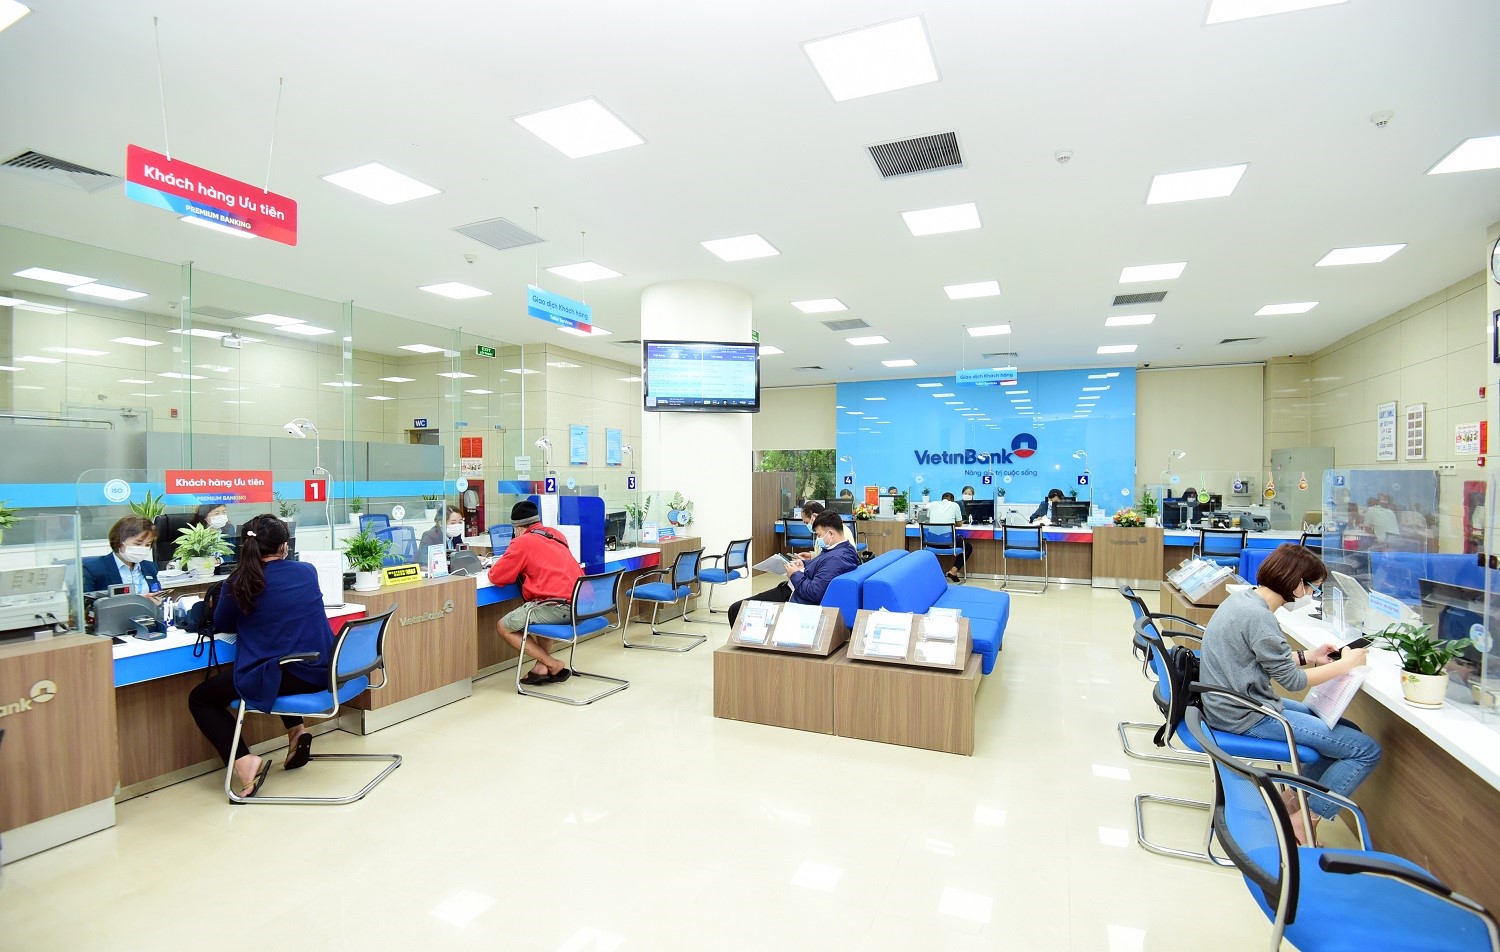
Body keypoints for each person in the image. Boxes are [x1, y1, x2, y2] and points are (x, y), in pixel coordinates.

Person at [1199, 542, 1380, 845]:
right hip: (1245, 715)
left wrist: (1310, 656)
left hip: (1235, 703)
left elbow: (1262, 658)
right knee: (1365, 750)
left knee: (1348, 731)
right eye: (1312, 587)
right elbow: (1294, 682)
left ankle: (1291, 801)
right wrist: (1346, 664)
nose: (1310, 594)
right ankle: (1307, 820)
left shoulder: (1245, 601)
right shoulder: (1259, 617)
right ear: (1296, 582)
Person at [187, 514, 333, 798]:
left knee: (202, 699)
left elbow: (224, 623)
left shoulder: (238, 583)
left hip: (293, 673)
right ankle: (297, 733)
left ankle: (243, 760)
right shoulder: (307, 571)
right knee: (279, 661)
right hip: (324, 668)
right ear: (284, 546)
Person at [487, 500, 583, 686]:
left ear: (518, 528)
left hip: (559, 606)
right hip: (581, 603)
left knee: (503, 626)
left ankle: (552, 664)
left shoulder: (522, 542)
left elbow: (496, 576)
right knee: (540, 608)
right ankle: (541, 667)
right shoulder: (555, 534)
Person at [728, 511, 859, 628]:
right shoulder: (842, 549)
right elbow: (822, 566)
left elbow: (814, 592)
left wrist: (795, 574)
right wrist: (804, 564)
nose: (818, 539)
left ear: (831, 533)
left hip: (795, 594)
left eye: (819, 535)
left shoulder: (836, 559)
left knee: (736, 609)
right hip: (795, 587)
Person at [81, 516, 163, 596]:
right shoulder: (93, 569)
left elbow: (156, 592)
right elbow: (86, 602)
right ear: (119, 541)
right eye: (137, 544)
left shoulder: (150, 567)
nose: (143, 548)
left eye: (147, 545)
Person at [922, 492, 970, 581]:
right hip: (948, 543)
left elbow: (930, 519)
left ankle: (933, 572)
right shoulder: (954, 505)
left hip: (931, 543)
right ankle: (953, 571)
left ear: (942, 499)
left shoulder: (932, 504)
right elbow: (959, 524)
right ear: (952, 500)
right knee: (968, 547)